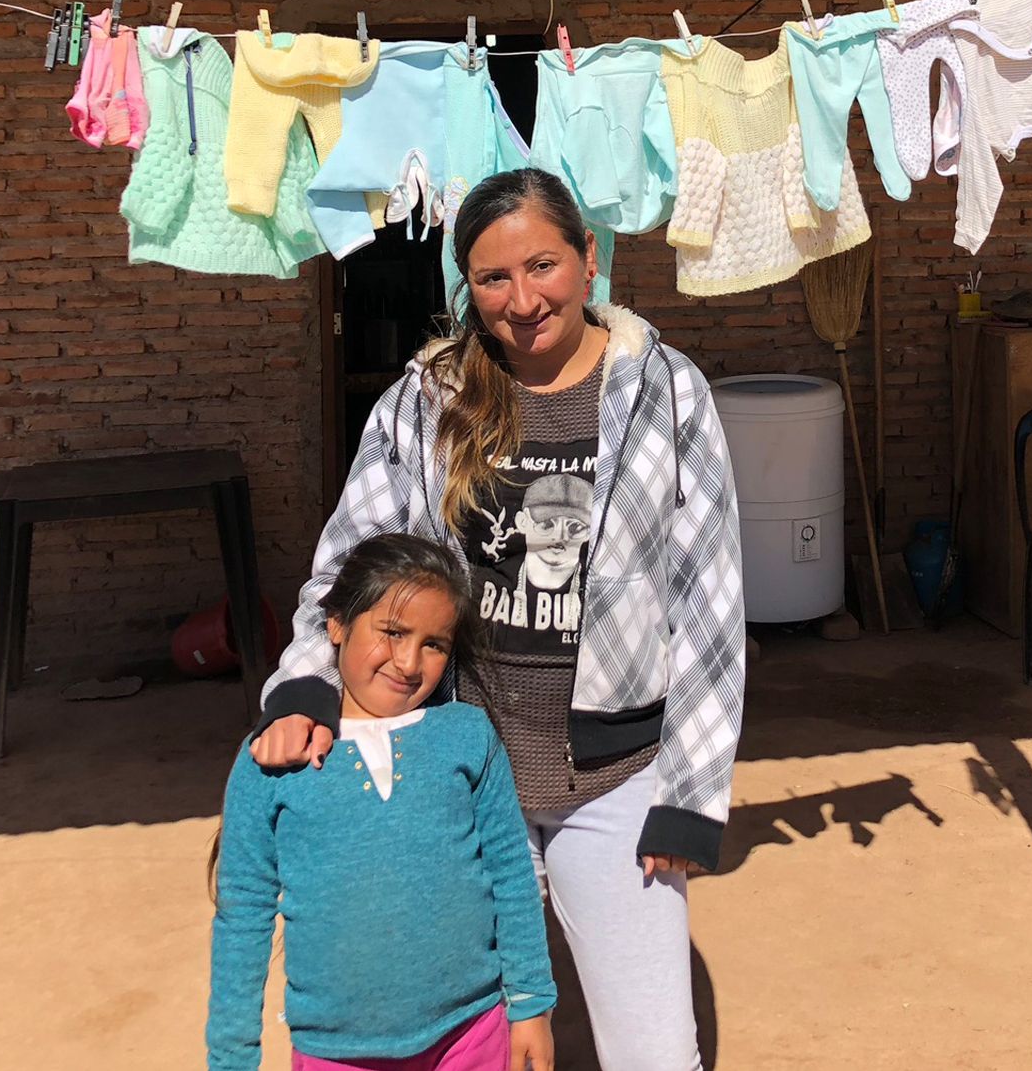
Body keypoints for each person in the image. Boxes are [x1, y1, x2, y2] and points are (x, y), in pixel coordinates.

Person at [251, 167, 745, 1071]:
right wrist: (304, 687)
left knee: (656, 1054)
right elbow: (349, 563)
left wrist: (690, 796)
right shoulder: (425, 403)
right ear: (467, 287)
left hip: (616, 777)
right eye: (492, 278)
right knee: (461, 1039)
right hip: (459, 774)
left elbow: (709, 599)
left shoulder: (666, 392)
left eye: (543, 265)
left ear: (589, 258)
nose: (523, 300)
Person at [208, 533, 556, 1071]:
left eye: (435, 644)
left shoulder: (467, 735)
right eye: (392, 632)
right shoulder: (276, 756)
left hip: (472, 1033)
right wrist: (232, 1056)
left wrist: (531, 1003)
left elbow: (512, 876)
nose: (410, 662)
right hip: (336, 1052)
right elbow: (243, 915)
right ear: (337, 624)